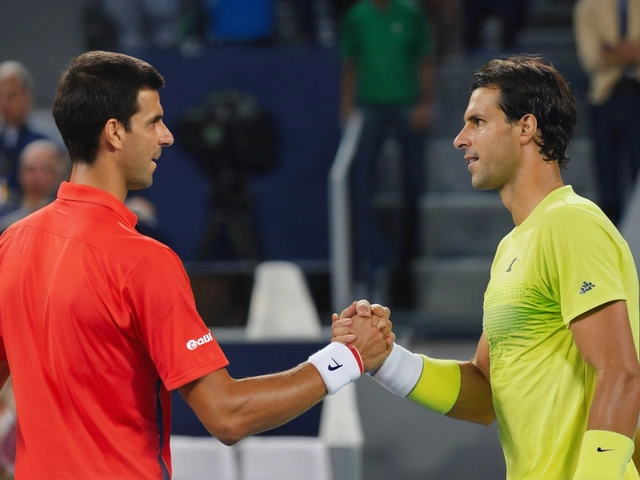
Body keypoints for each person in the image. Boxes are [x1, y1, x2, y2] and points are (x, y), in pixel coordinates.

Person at [0, 50, 394, 479]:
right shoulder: (143, 261)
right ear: (114, 132)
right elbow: (227, 415)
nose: (166, 137)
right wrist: (348, 358)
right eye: (153, 122)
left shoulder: (11, 245)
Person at [334, 55, 640, 479]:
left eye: (477, 122)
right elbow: (483, 394)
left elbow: (621, 373)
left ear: (526, 129)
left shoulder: (571, 223)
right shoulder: (513, 246)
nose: (460, 139)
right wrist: (385, 360)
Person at [339, 0, 435, 307]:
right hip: (370, 105)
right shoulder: (358, 16)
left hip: (407, 103)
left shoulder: (410, 13)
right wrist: (347, 107)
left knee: (413, 185)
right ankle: (369, 265)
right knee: (361, 184)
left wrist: (424, 103)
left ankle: (405, 269)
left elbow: (425, 58)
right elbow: (350, 62)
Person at [574, 0, 640, 226]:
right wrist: (634, 50)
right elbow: (592, 59)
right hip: (605, 98)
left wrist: (613, 51)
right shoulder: (588, 7)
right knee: (607, 183)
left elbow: (605, 53)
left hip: (637, 96)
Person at [0, 61, 48, 204]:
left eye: (11, 96)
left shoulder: (43, 143)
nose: (4, 103)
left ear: (26, 96)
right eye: (0, 96)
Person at [0, 139, 68, 233]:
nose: (37, 176)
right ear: (20, 173)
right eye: (30, 169)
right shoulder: (5, 209)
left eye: (45, 170)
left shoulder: (65, 214)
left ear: (59, 174)